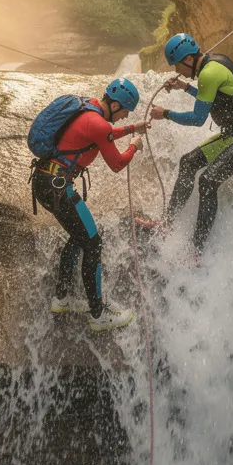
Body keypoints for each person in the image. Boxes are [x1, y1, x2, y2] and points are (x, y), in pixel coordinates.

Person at [29, 78, 148, 332]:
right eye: (125, 111)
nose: (125, 115)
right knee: (93, 243)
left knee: (79, 237)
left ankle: (62, 299)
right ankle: (98, 315)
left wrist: (130, 128)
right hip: (57, 186)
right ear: (115, 105)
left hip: (46, 180)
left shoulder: (89, 109)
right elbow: (117, 163)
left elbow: (101, 134)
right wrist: (134, 146)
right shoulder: (98, 123)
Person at [148, 33, 233, 256]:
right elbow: (210, 95)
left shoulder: (210, 72)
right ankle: (168, 222)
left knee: (208, 180)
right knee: (188, 162)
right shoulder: (210, 69)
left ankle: (197, 249)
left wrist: (165, 113)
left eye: (177, 67)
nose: (177, 72)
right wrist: (185, 87)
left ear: (187, 60)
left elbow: (197, 118)